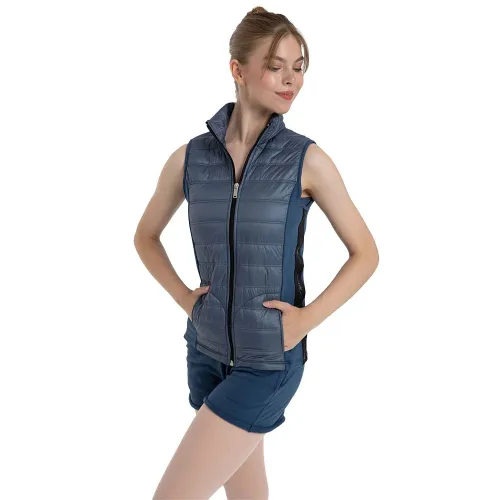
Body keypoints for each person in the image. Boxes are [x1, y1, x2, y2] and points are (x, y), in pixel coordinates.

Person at [134, 6, 379, 499]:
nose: (291, 79)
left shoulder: (307, 160)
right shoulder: (191, 158)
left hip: (268, 361)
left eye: (299, 66)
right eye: (275, 66)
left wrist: (305, 321)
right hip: (205, 354)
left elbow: (365, 253)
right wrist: (185, 299)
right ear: (238, 69)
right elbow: (146, 236)